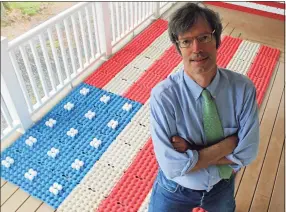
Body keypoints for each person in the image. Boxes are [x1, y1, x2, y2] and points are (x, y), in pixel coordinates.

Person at [149, 3, 260, 212]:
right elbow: (172, 166)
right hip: (175, 189)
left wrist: (190, 151)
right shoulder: (163, 97)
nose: (196, 49)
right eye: (186, 41)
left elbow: (248, 153)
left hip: (221, 185)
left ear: (216, 39)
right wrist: (229, 144)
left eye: (203, 38)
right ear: (177, 46)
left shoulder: (243, 89)